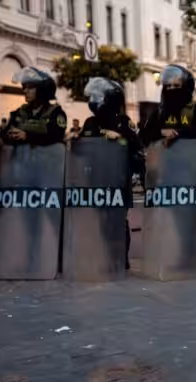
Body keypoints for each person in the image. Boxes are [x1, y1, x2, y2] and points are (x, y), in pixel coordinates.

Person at [79, 78, 142, 269]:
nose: (94, 99)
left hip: (117, 180)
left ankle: (120, 258)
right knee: (99, 220)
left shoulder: (123, 122)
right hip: (95, 179)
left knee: (118, 220)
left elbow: (136, 147)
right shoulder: (89, 123)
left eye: (98, 96)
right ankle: (103, 255)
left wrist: (120, 138)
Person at [140, 64, 196, 148]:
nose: (171, 89)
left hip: (192, 158)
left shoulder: (195, 108)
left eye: (176, 86)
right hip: (164, 159)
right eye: (168, 86)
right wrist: (161, 132)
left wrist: (178, 133)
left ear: (185, 87)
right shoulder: (160, 111)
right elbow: (144, 134)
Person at [0, 67, 66, 146]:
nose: (25, 91)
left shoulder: (55, 113)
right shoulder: (19, 112)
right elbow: (4, 136)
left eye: (30, 87)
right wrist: (8, 134)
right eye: (24, 87)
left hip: (44, 157)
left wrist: (27, 136)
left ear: (42, 90)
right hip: (21, 157)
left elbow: (56, 136)